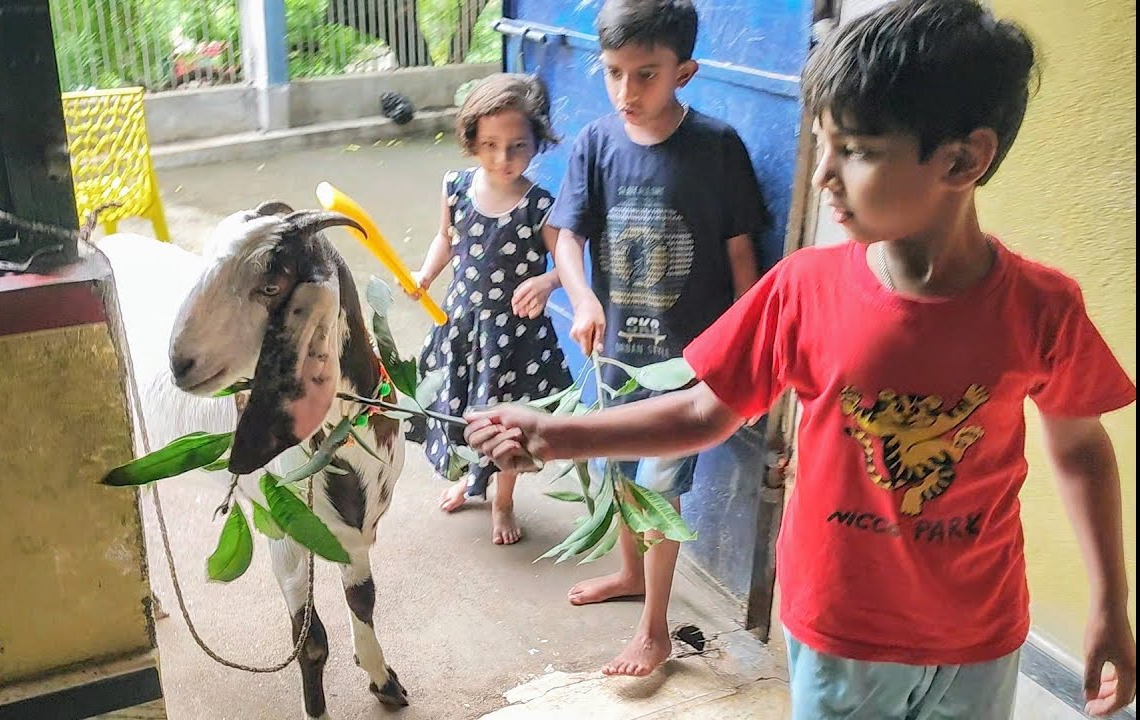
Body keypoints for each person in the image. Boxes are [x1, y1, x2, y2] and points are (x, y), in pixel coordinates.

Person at [466, 1, 1138, 717]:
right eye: (824, 145)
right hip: (842, 634)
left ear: (965, 158)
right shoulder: (802, 288)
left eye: (857, 150)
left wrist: (1111, 602)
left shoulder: (1042, 307)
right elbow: (701, 411)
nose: (824, 177)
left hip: (982, 631)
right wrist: (552, 430)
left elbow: (1079, 449)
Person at [542, 0, 766, 677]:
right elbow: (568, 237)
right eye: (613, 73)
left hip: (687, 367)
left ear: (685, 72)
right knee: (617, 471)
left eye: (646, 75)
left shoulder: (718, 147)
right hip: (616, 362)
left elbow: (743, 262)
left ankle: (654, 629)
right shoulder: (595, 144)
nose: (626, 92)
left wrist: (739, 351)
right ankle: (630, 574)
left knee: (660, 492)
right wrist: (580, 298)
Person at [408, 72, 572, 545]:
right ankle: (470, 478)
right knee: (464, 411)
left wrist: (547, 281)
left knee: (506, 424)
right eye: (491, 145)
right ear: (472, 141)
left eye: (518, 146)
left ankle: (503, 500)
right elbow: (446, 238)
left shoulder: (539, 204)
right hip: (463, 326)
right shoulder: (456, 187)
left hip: (515, 339)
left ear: (537, 141)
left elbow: (565, 260)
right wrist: (425, 275)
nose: (505, 158)